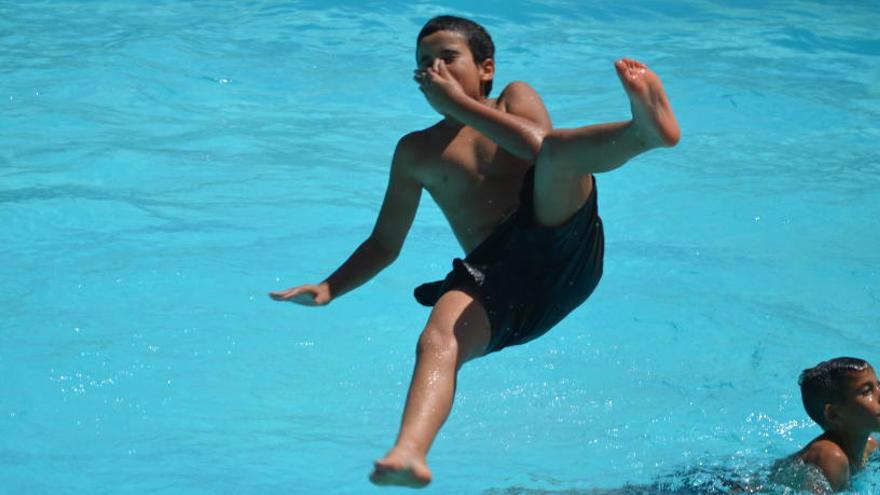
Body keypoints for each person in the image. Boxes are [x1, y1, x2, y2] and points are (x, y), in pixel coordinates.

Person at [269, 15, 680, 488]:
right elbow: (385, 242)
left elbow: (534, 146)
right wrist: (328, 288)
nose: (434, 69)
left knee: (558, 153)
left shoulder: (514, 98)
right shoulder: (416, 152)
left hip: (563, 238)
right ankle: (409, 453)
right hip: (502, 279)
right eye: (424, 62)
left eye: (448, 58)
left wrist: (462, 108)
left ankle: (644, 133)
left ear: (486, 68)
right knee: (437, 337)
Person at [769, 357, 880, 493]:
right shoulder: (831, 456)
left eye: (878, 385)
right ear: (833, 414)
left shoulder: (870, 447)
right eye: (867, 391)